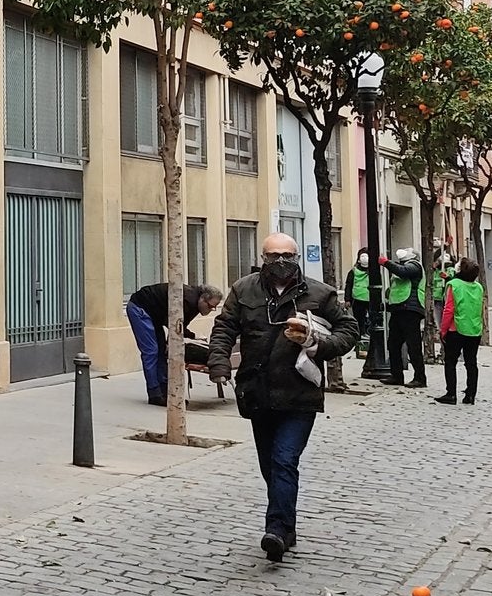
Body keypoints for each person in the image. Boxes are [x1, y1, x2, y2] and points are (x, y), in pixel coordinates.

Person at [208, 232, 359, 562]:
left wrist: (317, 344)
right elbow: (224, 328)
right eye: (273, 255)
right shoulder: (243, 289)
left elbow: (349, 330)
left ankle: (275, 529)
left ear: (297, 257)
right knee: (270, 466)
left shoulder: (320, 293)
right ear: (262, 257)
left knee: (284, 460)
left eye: (287, 255)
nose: (280, 262)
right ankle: (287, 527)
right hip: (257, 393)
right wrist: (219, 361)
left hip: (299, 393)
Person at [125, 281, 224, 405]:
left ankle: (165, 391)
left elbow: (178, 326)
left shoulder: (195, 303)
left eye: (215, 307)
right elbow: (174, 325)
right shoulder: (188, 301)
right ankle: (154, 393)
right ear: (203, 299)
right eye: (210, 306)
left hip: (155, 314)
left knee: (161, 351)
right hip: (140, 308)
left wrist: (172, 343)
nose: (212, 309)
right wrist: (192, 336)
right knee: (151, 352)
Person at [433, 257, 487, 405]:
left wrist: (443, 330)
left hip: (455, 329)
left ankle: (451, 394)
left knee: (450, 361)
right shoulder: (478, 287)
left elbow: (448, 309)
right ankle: (470, 395)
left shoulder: (453, 285)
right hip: (474, 329)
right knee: (471, 362)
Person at [382, 248, 429, 387]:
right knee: (393, 344)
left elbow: (403, 272)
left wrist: (386, 262)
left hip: (410, 310)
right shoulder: (401, 266)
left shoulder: (414, 266)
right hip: (399, 309)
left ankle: (420, 378)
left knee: (413, 346)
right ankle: (396, 376)